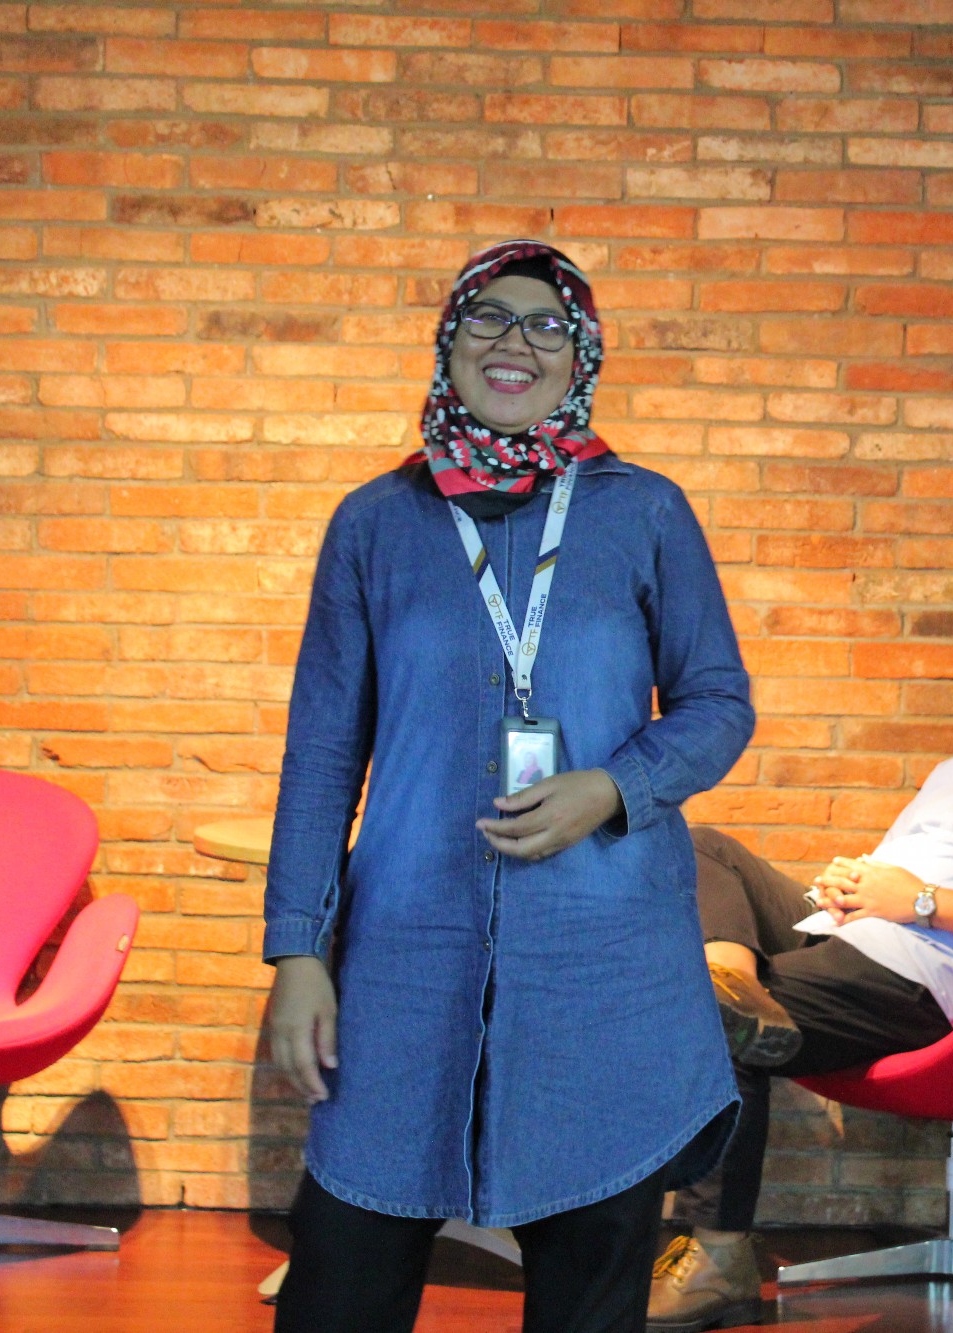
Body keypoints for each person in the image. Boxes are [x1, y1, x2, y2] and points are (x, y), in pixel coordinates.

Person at [262, 239, 755, 1333]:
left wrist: (612, 787)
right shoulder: (374, 522)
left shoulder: (644, 511)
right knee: (341, 1282)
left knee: (589, 1295)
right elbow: (321, 754)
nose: (514, 343)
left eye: (546, 325)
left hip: (603, 965)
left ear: (581, 356)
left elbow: (720, 702)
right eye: (487, 319)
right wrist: (297, 950)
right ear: (448, 345)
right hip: (407, 958)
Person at [649, 607, 953, 1332]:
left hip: (924, 975)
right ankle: (734, 982)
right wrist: (852, 887)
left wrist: (918, 901)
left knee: (710, 1024)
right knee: (704, 845)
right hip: (848, 934)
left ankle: (720, 1254)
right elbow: (896, 876)